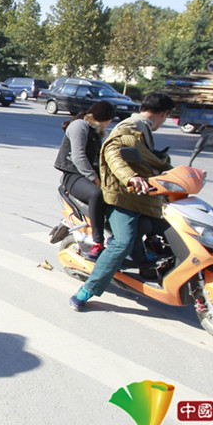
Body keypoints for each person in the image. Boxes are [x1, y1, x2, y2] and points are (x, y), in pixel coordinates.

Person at [69, 92, 175, 311]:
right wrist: (131, 177)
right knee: (122, 241)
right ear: (164, 114)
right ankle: (88, 289)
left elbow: (148, 158)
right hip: (122, 198)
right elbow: (113, 153)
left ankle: (147, 267)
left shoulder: (143, 127)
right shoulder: (130, 126)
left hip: (142, 196)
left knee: (170, 228)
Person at [53, 100, 116, 260]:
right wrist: (95, 180)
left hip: (88, 175)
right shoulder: (79, 126)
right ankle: (98, 243)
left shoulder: (96, 132)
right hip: (73, 176)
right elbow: (78, 157)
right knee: (96, 194)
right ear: (106, 118)